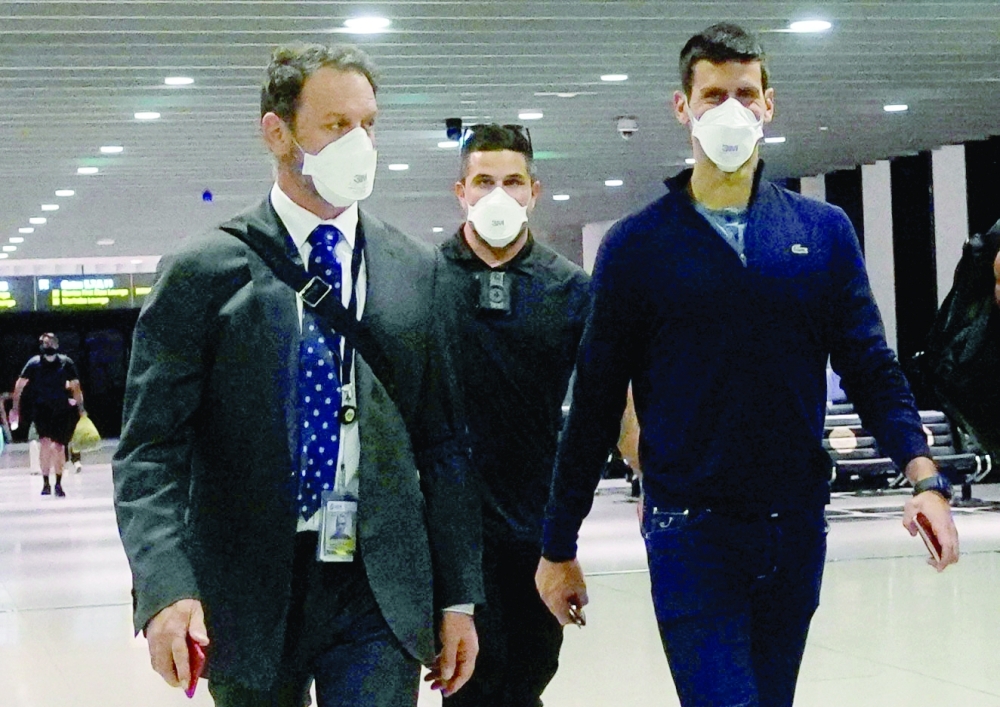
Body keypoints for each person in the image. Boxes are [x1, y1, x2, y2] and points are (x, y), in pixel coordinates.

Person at [535, 22, 960, 707]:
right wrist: (558, 544)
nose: (729, 109)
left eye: (744, 93)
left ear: (768, 104)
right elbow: (594, 404)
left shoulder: (820, 234)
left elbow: (871, 366)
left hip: (793, 529)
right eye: (712, 95)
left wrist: (924, 474)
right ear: (683, 108)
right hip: (690, 532)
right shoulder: (638, 246)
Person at [113, 43, 483, 707]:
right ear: (277, 132)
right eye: (337, 125)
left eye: (369, 124)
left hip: (378, 585)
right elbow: (150, 451)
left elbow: (444, 443)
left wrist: (459, 595)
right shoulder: (205, 271)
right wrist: (166, 585)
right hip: (248, 587)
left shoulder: (414, 270)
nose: (360, 143)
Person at [435, 124, 590, 707]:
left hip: (537, 527)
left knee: (526, 675)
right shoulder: (423, 282)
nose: (497, 194)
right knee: (470, 681)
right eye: (483, 181)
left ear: (534, 191)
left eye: (512, 181)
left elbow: (613, 401)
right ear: (461, 191)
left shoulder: (570, 290)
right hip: (450, 529)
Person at [11, 333, 84, 497]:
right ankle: (45, 483)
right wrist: (15, 408)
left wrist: (81, 409)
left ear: (57, 345)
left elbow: (76, 386)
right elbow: (20, 385)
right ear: (41, 345)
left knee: (58, 447)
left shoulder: (66, 363)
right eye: (45, 343)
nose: (49, 346)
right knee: (44, 444)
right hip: (41, 409)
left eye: (51, 343)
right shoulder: (34, 363)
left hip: (61, 410)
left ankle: (58, 483)